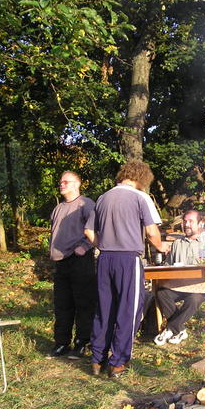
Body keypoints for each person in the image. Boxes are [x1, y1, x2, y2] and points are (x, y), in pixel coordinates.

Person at [84, 160, 170, 378]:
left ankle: (97, 360)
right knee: (128, 310)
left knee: (105, 309)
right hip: (128, 259)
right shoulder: (140, 197)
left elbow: (88, 232)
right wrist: (161, 246)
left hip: (104, 259)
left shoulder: (103, 198)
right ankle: (118, 362)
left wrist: (103, 246)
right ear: (142, 178)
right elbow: (151, 232)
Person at [48, 171, 98, 359]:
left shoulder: (86, 204)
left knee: (83, 303)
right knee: (62, 304)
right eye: (60, 182)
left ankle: (82, 343)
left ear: (77, 184)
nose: (61, 184)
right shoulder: (58, 208)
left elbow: (96, 230)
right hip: (61, 263)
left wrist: (84, 247)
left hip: (79, 261)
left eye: (66, 182)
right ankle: (61, 343)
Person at [153, 210, 205, 346]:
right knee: (161, 292)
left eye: (191, 221)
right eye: (185, 221)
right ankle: (180, 330)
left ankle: (170, 329)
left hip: (200, 287)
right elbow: (167, 266)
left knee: (194, 299)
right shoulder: (177, 243)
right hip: (179, 286)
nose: (186, 224)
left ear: (200, 223)